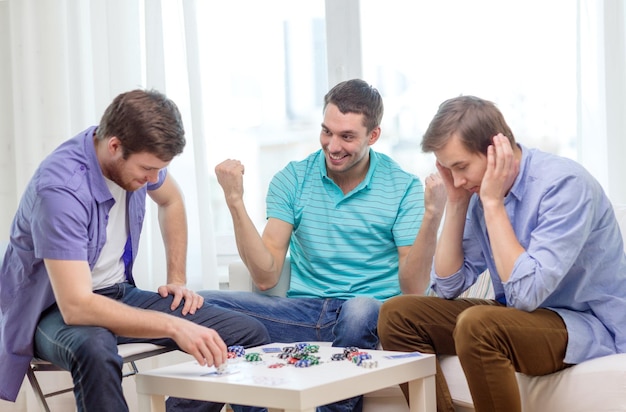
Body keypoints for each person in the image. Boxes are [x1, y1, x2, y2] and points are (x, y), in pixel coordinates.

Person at [0, 89, 270, 412]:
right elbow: (76, 306)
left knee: (247, 333)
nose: (154, 179)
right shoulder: (60, 189)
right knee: (96, 349)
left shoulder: (137, 160)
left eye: (160, 169)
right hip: (51, 310)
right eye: (147, 170)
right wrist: (174, 325)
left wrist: (178, 279)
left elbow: (171, 200)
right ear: (115, 146)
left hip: (116, 293)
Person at [200, 79, 446, 412]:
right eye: (326, 132)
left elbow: (414, 288)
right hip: (305, 312)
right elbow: (265, 277)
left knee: (359, 309)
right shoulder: (293, 178)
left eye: (347, 136)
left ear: (373, 136)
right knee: (204, 303)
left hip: (370, 314)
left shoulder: (401, 186)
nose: (332, 146)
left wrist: (432, 215)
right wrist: (235, 201)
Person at [378, 95, 626, 412]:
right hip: (519, 320)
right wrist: (455, 203)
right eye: (448, 169)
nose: (456, 179)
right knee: (398, 315)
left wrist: (493, 203)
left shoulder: (565, 185)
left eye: (461, 167)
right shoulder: (473, 191)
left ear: (496, 150)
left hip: (584, 325)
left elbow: (525, 295)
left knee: (477, 325)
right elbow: (448, 286)